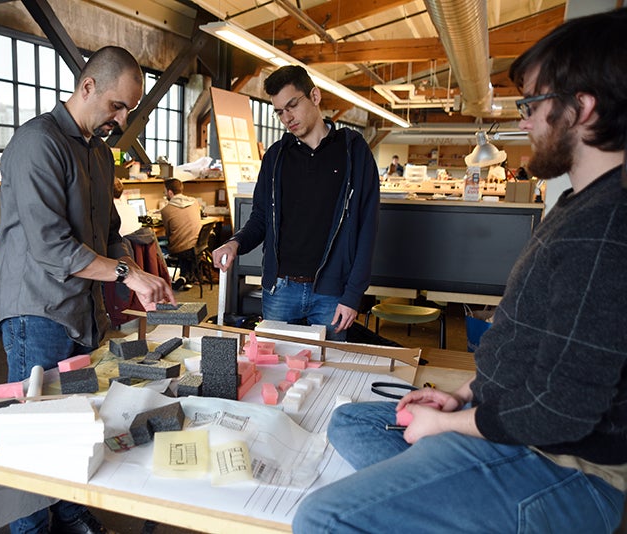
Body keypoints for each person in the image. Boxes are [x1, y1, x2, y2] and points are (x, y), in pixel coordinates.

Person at [294, 9, 627, 533]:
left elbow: (560, 412)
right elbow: (535, 348)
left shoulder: (606, 227)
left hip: (566, 467)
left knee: (322, 516)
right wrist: (467, 395)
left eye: (533, 104)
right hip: (518, 429)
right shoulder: (579, 208)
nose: (523, 120)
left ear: (582, 109)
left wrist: (450, 425)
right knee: (351, 421)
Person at [0, 46, 175, 534]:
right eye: (116, 105)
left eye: (129, 111)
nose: (120, 118)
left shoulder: (97, 152)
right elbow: (52, 246)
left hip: (81, 308)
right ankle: (30, 526)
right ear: (88, 86)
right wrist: (125, 274)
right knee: (36, 427)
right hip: (38, 309)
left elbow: (108, 231)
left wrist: (141, 276)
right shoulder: (38, 143)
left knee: (77, 416)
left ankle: (69, 509)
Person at [213, 65, 380, 341]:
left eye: (292, 105)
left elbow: (367, 227)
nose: (286, 117)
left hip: (332, 292)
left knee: (331, 373)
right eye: (279, 112)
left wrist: (353, 295)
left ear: (314, 96)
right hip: (280, 290)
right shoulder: (276, 157)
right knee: (273, 371)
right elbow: (260, 218)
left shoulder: (353, 152)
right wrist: (235, 242)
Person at [160, 178, 202, 288]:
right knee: (185, 241)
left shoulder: (166, 210)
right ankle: (186, 277)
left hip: (180, 249)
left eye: (164, 191)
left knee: (158, 243)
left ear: (170, 192)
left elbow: (168, 233)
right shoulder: (194, 202)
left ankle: (166, 278)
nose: (164, 194)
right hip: (197, 246)